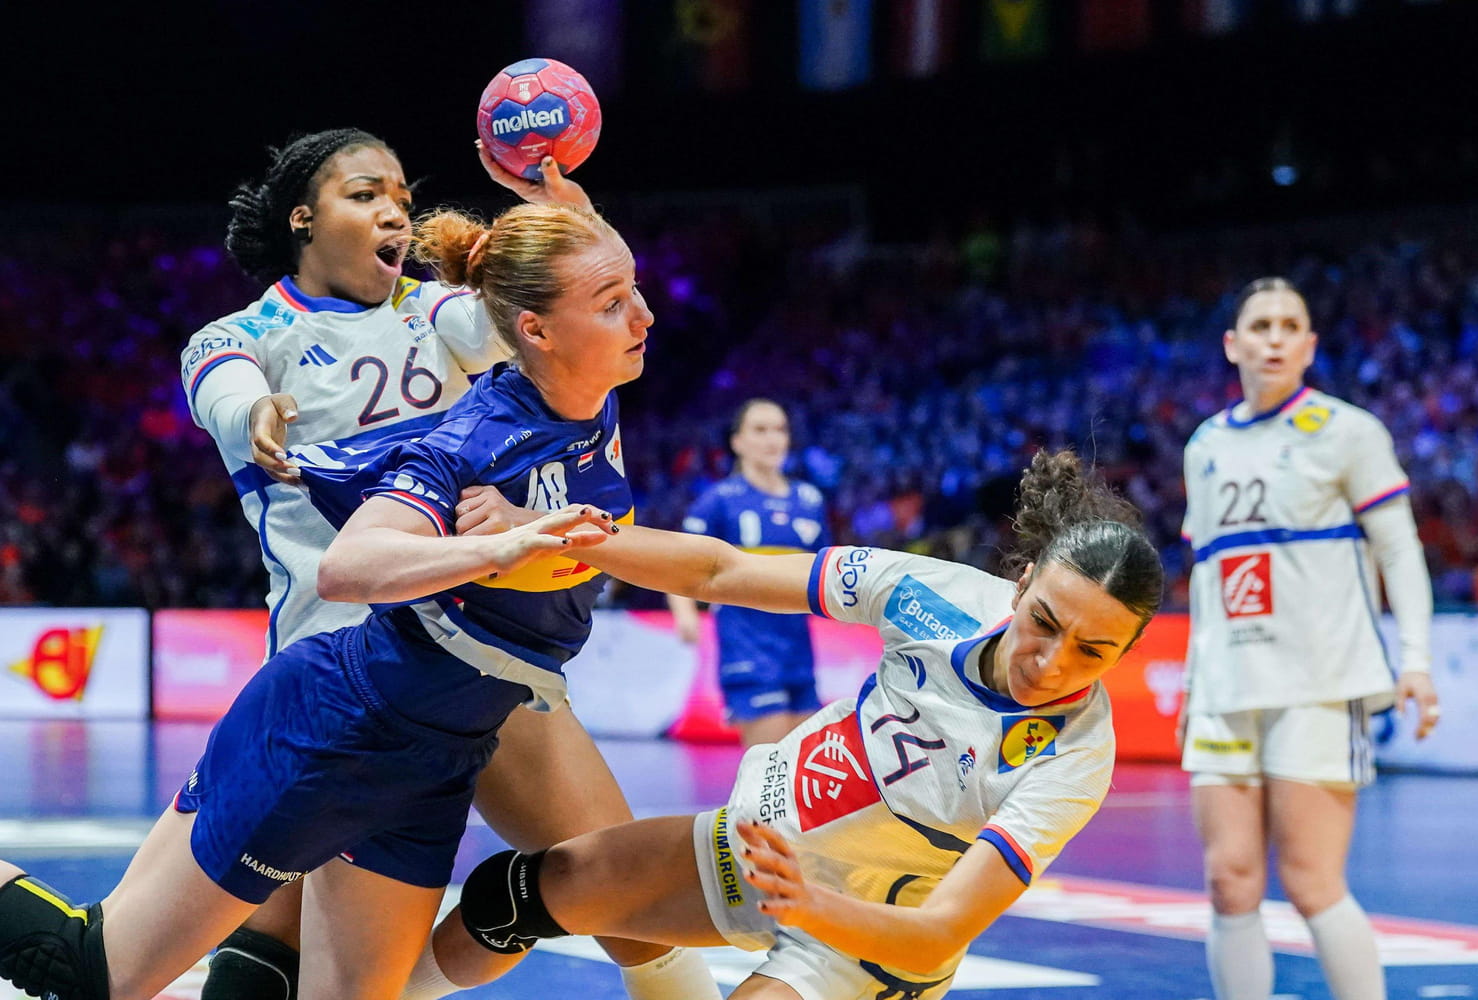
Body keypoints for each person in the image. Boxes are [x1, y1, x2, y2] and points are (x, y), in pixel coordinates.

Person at [0, 201, 688, 1000]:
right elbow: (347, 564)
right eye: (614, 301)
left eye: (631, 290)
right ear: (535, 331)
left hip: (439, 758)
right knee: (87, 975)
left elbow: (555, 273)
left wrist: (557, 198)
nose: (643, 313)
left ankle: (511, 913)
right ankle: (517, 912)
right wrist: (503, 546)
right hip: (336, 728)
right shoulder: (465, 435)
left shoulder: (591, 398)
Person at [178, 129, 716, 1000]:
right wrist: (255, 411)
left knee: (623, 892)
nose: (395, 207)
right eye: (364, 193)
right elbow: (222, 385)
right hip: (340, 677)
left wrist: (564, 217)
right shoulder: (240, 337)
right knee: (264, 956)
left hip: (471, 652)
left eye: (401, 192)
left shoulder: (438, 316)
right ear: (304, 218)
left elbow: (548, 313)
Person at [432, 448, 1164, 1000]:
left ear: (1127, 651)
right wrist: (546, 533)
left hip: (858, 944)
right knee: (512, 896)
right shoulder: (930, 593)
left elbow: (943, 928)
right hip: (750, 843)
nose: (1051, 662)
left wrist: (811, 904)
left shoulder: (1073, 757)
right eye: (1045, 623)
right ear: (1024, 579)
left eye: (1093, 651)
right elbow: (718, 573)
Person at [1178, 277, 1441, 1000]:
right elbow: (1207, 574)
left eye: (1289, 325)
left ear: (1309, 345)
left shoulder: (1349, 431)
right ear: (1233, 344)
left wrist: (1415, 661)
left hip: (1319, 683)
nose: (1274, 337)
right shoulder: (1203, 447)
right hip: (1226, 688)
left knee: (1310, 880)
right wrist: (1195, 681)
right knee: (1228, 878)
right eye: (1259, 325)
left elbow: (1399, 552)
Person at [667, 398, 831, 745]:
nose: (772, 439)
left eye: (780, 430)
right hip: (748, 648)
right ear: (737, 442)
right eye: (760, 430)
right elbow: (678, 560)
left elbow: (825, 568)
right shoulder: (719, 500)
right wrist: (685, 613)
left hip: (799, 650)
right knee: (770, 766)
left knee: (806, 768)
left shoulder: (809, 500)